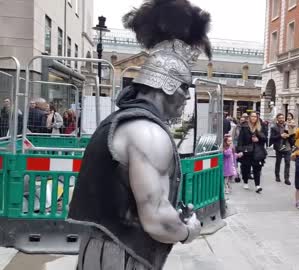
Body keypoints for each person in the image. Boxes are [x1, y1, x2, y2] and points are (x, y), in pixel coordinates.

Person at [67, 0, 211, 268]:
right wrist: (189, 230)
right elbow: (157, 219)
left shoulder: (119, 120)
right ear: (167, 84)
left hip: (100, 250)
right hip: (123, 256)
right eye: (184, 88)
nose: (185, 97)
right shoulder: (148, 133)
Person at [237, 112, 267, 193]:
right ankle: (245, 182)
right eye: (252, 116)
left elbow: (265, 138)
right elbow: (240, 139)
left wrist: (259, 138)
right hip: (247, 151)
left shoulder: (261, 126)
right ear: (249, 117)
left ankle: (258, 185)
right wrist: (240, 150)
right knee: (245, 168)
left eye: (255, 117)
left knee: (257, 169)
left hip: (257, 151)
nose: (254, 118)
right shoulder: (245, 126)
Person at [270, 113, 294, 185]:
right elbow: (272, 138)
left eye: (282, 118)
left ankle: (286, 178)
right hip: (279, 147)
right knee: (278, 162)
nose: (281, 119)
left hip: (287, 147)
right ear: (277, 119)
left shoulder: (287, 126)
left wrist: (289, 135)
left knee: (287, 163)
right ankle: (277, 176)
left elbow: (292, 135)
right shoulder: (274, 127)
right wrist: (280, 136)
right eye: (280, 118)